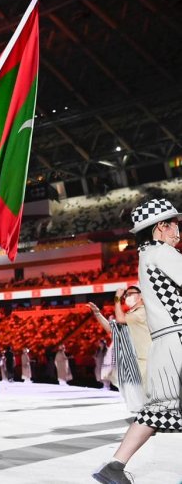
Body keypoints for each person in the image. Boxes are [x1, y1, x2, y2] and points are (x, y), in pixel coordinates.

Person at [94, 198, 182, 483]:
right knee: (161, 410)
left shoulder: (146, 255)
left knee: (159, 410)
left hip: (165, 344)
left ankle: (115, 466)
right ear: (159, 227)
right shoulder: (162, 253)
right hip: (177, 337)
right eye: (174, 226)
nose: (178, 233)